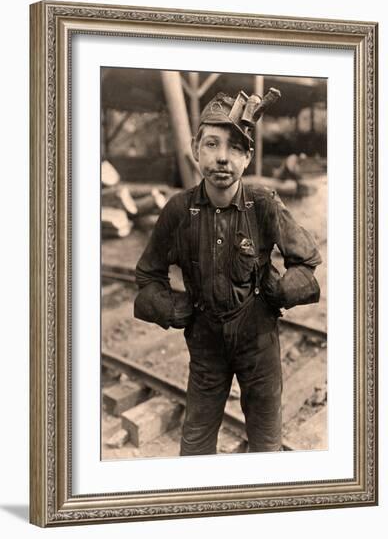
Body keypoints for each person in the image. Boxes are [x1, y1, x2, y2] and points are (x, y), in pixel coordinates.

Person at [134, 88, 322, 456]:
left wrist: (285, 291)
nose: (222, 158)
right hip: (206, 347)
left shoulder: (264, 205)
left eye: (235, 147)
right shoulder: (177, 211)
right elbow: (147, 276)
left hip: (259, 344)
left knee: (267, 445)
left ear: (248, 157)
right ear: (195, 149)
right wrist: (172, 308)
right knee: (196, 444)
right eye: (212, 144)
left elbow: (307, 261)